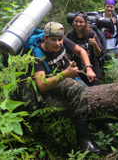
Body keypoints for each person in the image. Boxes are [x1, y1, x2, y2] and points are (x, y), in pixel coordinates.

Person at [33, 22, 101, 155]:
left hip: (68, 75)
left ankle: (99, 127)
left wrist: (88, 67)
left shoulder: (63, 41)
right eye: (53, 40)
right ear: (45, 38)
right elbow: (41, 85)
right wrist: (65, 74)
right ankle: (83, 142)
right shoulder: (37, 54)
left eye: (60, 40)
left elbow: (81, 50)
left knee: (90, 93)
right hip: (53, 81)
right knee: (76, 89)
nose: (58, 43)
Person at [66, 11, 102, 86]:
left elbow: (98, 54)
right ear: (73, 22)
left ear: (85, 23)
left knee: (96, 87)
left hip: (92, 65)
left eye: (81, 22)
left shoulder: (91, 33)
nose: (78, 24)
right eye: (76, 21)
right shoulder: (70, 35)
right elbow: (68, 53)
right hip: (78, 67)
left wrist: (95, 44)